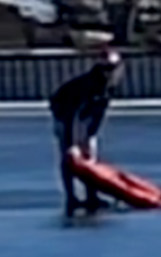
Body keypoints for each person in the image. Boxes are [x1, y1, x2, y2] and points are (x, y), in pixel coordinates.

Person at [49, 47, 123, 216]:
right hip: (63, 114)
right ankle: (71, 197)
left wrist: (91, 134)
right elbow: (72, 116)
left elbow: (100, 111)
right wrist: (72, 144)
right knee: (69, 157)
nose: (109, 72)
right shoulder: (88, 85)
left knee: (90, 156)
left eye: (112, 68)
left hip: (86, 117)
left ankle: (92, 195)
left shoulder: (110, 85)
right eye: (106, 69)